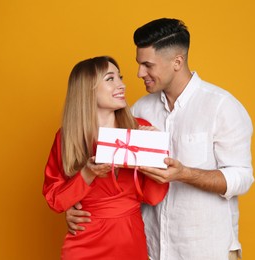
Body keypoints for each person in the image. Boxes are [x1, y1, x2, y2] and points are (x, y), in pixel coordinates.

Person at [66, 18, 254, 260]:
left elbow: (242, 177)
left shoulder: (221, 106)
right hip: (152, 249)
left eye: (147, 65)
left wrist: (184, 173)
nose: (139, 73)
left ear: (177, 61)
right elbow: (113, 179)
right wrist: (75, 207)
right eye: (139, 64)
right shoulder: (137, 111)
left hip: (206, 249)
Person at [43, 56, 169, 260]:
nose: (122, 85)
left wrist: (153, 155)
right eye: (110, 79)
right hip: (84, 242)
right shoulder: (67, 137)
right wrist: (87, 173)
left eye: (120, 77)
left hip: (130, 239)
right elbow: (56, 200)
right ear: (87, 89)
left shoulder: (139, 128)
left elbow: (153, 197)